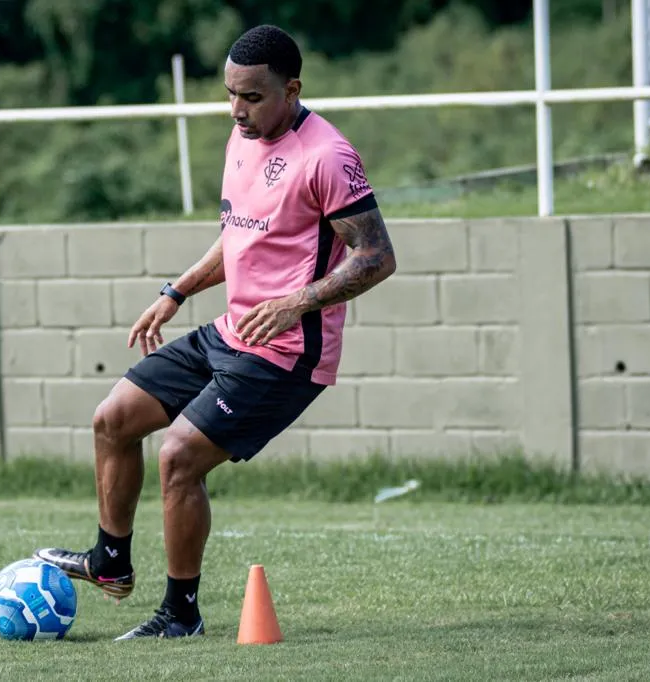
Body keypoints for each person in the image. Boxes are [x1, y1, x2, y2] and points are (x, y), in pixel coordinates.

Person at [34, 23, 396, 640]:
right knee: (112, 418)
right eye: (230, 94)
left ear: (292, 89)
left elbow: (376, 257)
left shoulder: (327, 156)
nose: (237, 109)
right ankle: (110, 563)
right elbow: (243, 235)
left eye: (252, 96)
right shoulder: (241, 136)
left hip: (286, 353)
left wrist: (295, 304)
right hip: (231, 331)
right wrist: (176, 291)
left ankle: (181, 615)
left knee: (178, 457)